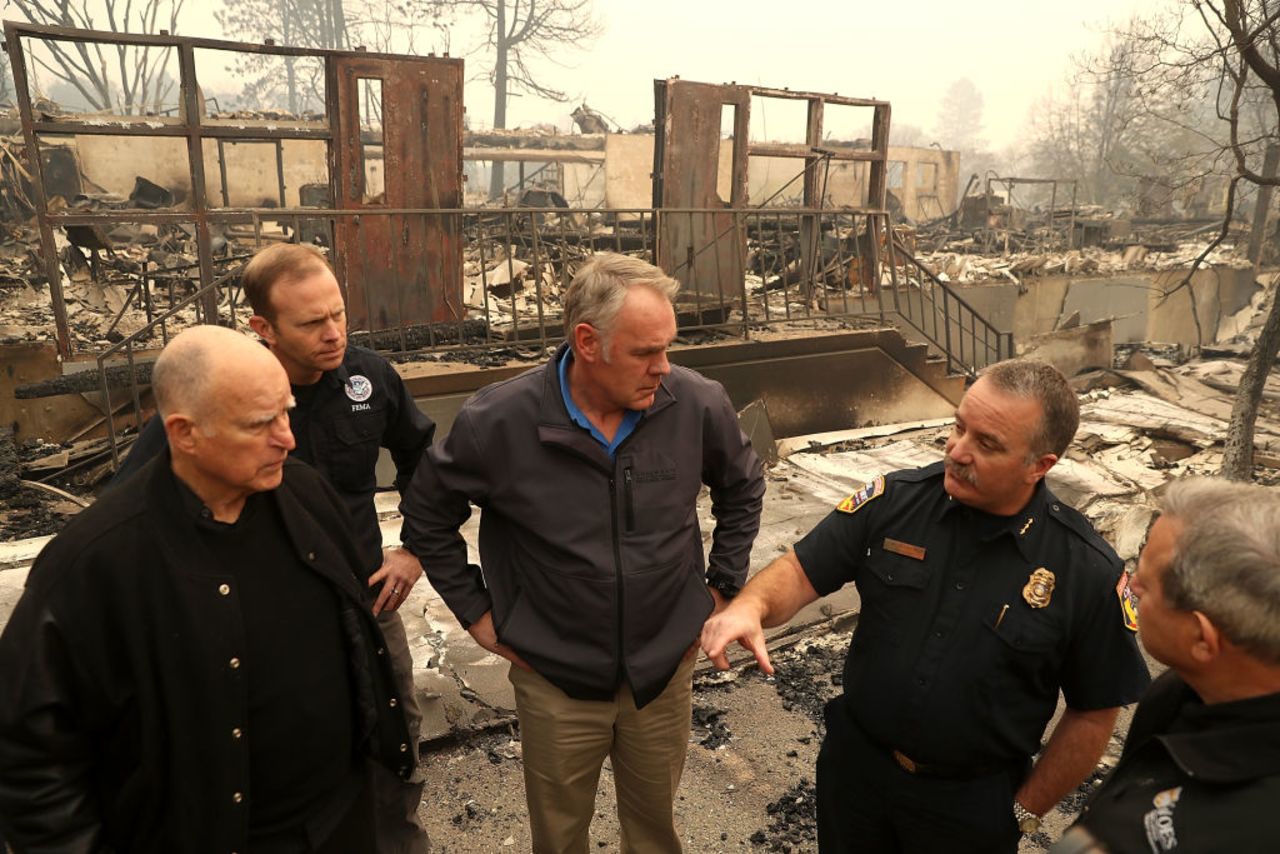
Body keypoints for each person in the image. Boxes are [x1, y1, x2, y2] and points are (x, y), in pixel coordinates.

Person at [702, 359, 1150, 854]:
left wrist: (1023, 811)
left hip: (969, 806)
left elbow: (1093, 713)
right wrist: (751, 606)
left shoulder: (1085, 571)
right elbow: (803, 569)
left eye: (987, 444)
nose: (957, 451)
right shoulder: (897, 501)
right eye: (958, 427)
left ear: (1040, 465)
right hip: (856, 776)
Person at [400, 252, 765, 852]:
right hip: (555, 679)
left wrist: (722, 585)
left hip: (662, 670)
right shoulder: (499, 421)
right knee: (560, 835)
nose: (663, 368)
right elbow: (427, 514)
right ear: (588, 341)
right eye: (646, 352)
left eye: (668, 348)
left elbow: (744, 484)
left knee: (653, 831)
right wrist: (481, 617)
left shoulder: (697, 403)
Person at [0, 326, 412, 852]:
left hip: (343, 824)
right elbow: (32, 759)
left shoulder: (306, 494)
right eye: (260, 423)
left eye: (286, 412)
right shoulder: (95, 561)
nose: (287, 437)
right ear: (185, 432)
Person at [114, 243, 435, 852]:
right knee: (275, 758)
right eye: (312, 323)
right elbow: (133, 506)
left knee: (395, 739)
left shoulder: (372, 378)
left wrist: (413, 546)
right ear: (262, 327)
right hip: (260, 619)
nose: (334, 333)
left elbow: (426, 459)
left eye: (339, 313)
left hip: (366, 600)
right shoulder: (219, 397)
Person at [1054, 478, 1280, 854]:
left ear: (1201, 638)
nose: (1134, 585)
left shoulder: (1249, 830)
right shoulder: (1177, 691)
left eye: (1149, 582)